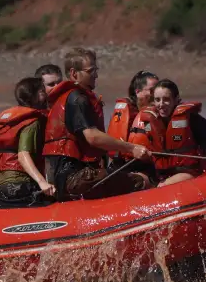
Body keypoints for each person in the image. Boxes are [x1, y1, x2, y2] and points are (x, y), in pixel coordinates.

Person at [43, 47, 153, 201]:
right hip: (73, 178)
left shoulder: (68, 98)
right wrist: (132, 148)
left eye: (96, 70)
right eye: (91, 71)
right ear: (74, 73)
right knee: (141, 180)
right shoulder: (77, 99)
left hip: (64, 177)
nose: (96, 75)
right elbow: (92, 137)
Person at [0, 77, 55, 202]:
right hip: (17, 185)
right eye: (43, 91)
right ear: (34, 96)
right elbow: (23, 155)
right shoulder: (33, 121)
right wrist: (42, 182)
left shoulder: (7, 119)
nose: (47, 94)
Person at [148, 79, 206, 187]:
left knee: (161, 186)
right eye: (157, 100)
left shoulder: (193, 120)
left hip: (192, 174)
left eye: (166, 99)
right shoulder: (152, 122)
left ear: (176, 99)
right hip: (164, 175)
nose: (161, 104)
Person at [106, 70, 159, 171]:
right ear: (138, 92)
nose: (156, 94)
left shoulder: (160, 111)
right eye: (152, 90)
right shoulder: (128, 113)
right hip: (127, 166)